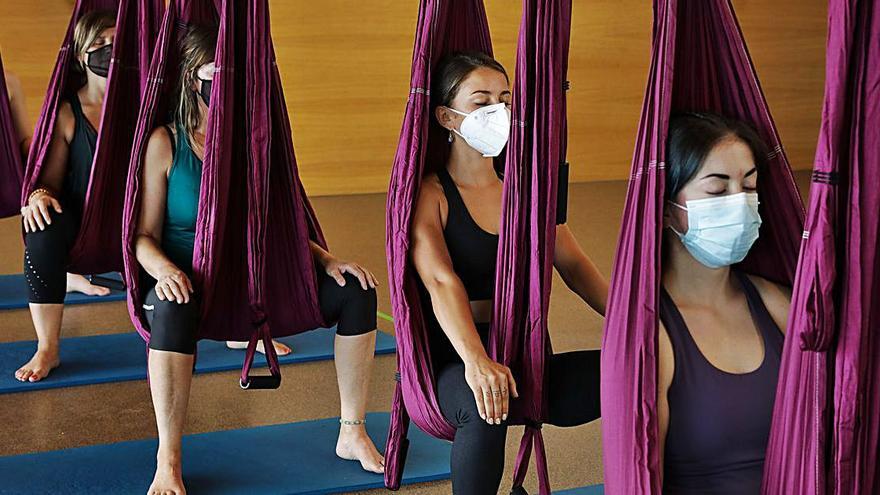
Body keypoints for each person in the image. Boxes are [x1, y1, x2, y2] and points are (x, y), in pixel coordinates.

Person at [136, 26, 385, 495]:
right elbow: (142, 238)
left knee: (358, 290)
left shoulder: (257, 145)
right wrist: (165, 270)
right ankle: (168, 457)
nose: (230, 85)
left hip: (253, 282)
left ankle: (352, 431)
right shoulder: (165, 143)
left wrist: (326, 260)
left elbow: (280, 227)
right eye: (219, 75)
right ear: (194, 79)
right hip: (189, 283)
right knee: (171, 307)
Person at [411, 51, 607, 495]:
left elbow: (574, 264)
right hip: (453, 360)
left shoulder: (527, 190)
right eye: (482, 102)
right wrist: (476, 361)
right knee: (486, 406)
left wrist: (635, 322)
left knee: (643, 368)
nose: (498, 112)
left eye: (506, 100)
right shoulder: (430, 193)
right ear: (446, 116)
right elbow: (441, 282)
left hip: (526, 359)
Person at [657, 112, 792, 494]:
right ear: (668, 210)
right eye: (717, 191)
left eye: (749, 187)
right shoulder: (656, 332)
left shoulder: (774, 301)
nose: (740, 204)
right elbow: (639, 470)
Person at [14, 11, 117, 384]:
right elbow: (50, 182)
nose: (108, 50)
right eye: (99, 44)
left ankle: (234, 327)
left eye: (115, 42)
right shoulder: (68, 113)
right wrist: (39, 194)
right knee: (40, 229)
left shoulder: (141, 107)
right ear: (79, 55)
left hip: (131, 221)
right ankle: (47, 347)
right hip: (81, 222)